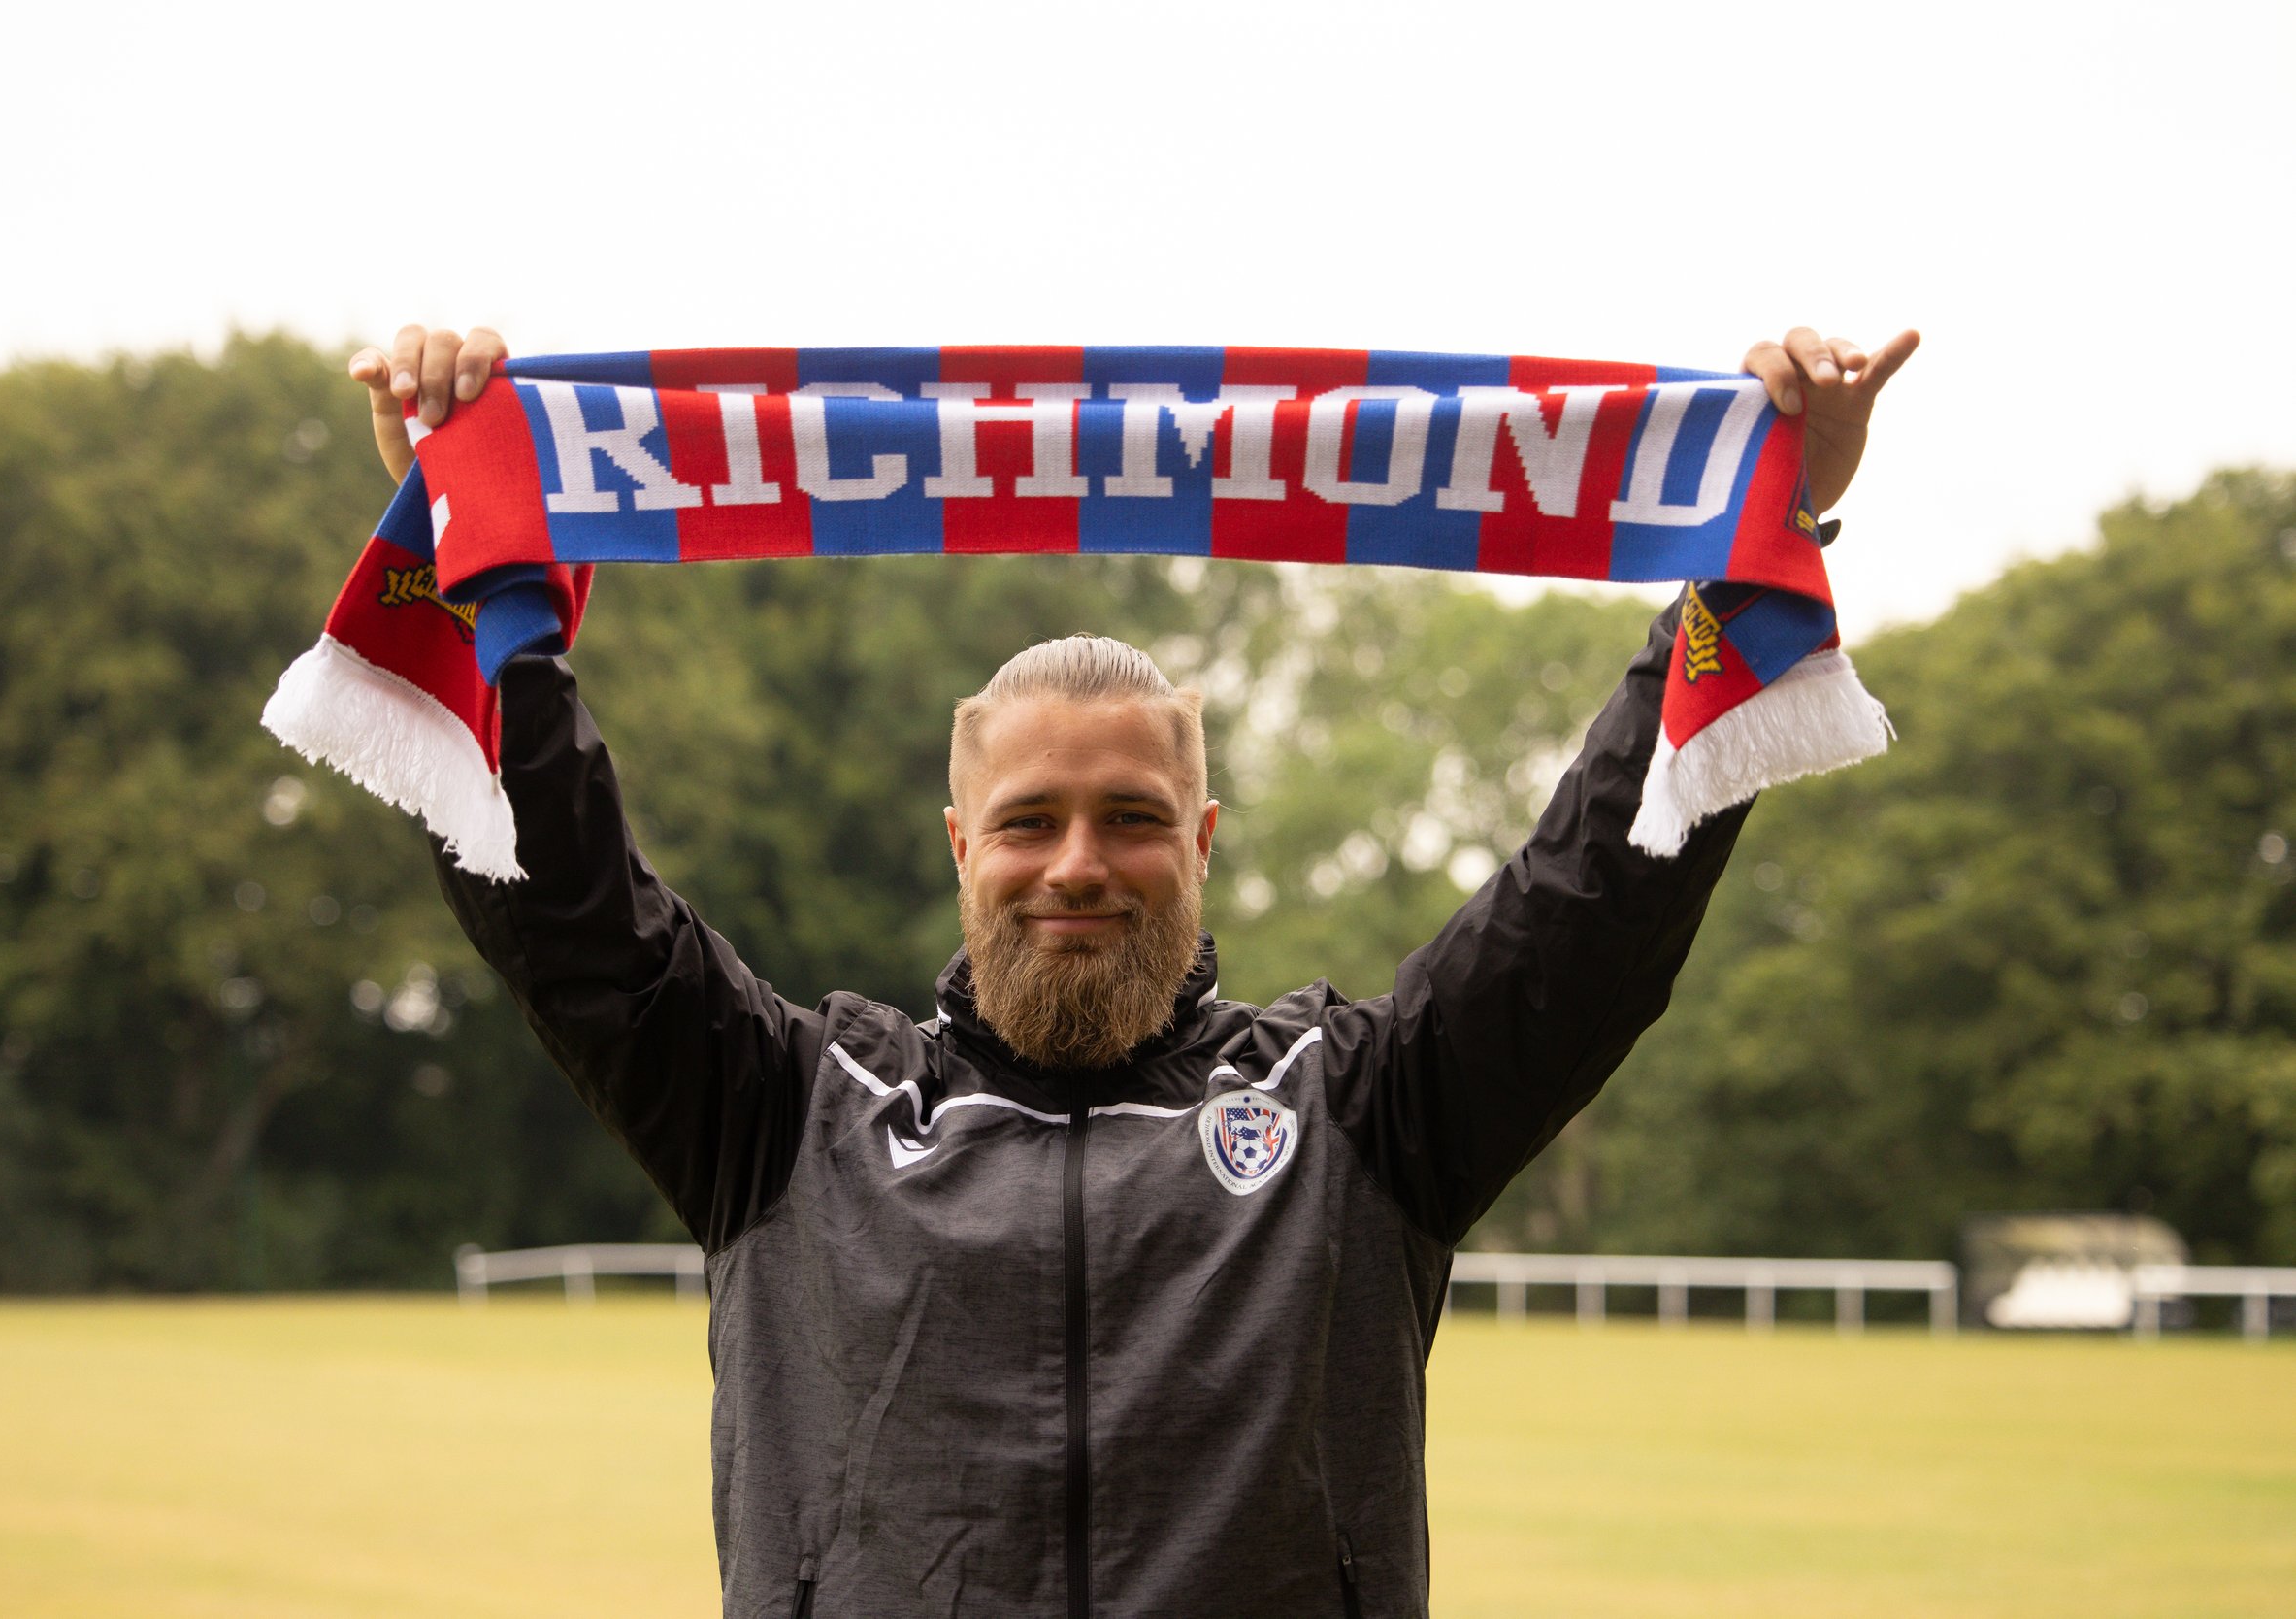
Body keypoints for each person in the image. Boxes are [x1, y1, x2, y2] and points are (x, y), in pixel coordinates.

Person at [349, 324, 1915, 1619]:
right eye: (1030, 821)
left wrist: (1754, 542)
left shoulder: (1362, 1113)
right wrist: (476, 543)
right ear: (961, 842)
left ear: (1206, 837)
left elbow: (1591, 909)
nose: (1079, 865)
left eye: (1132, 819)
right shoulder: (785, 1112)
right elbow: (563, 910)